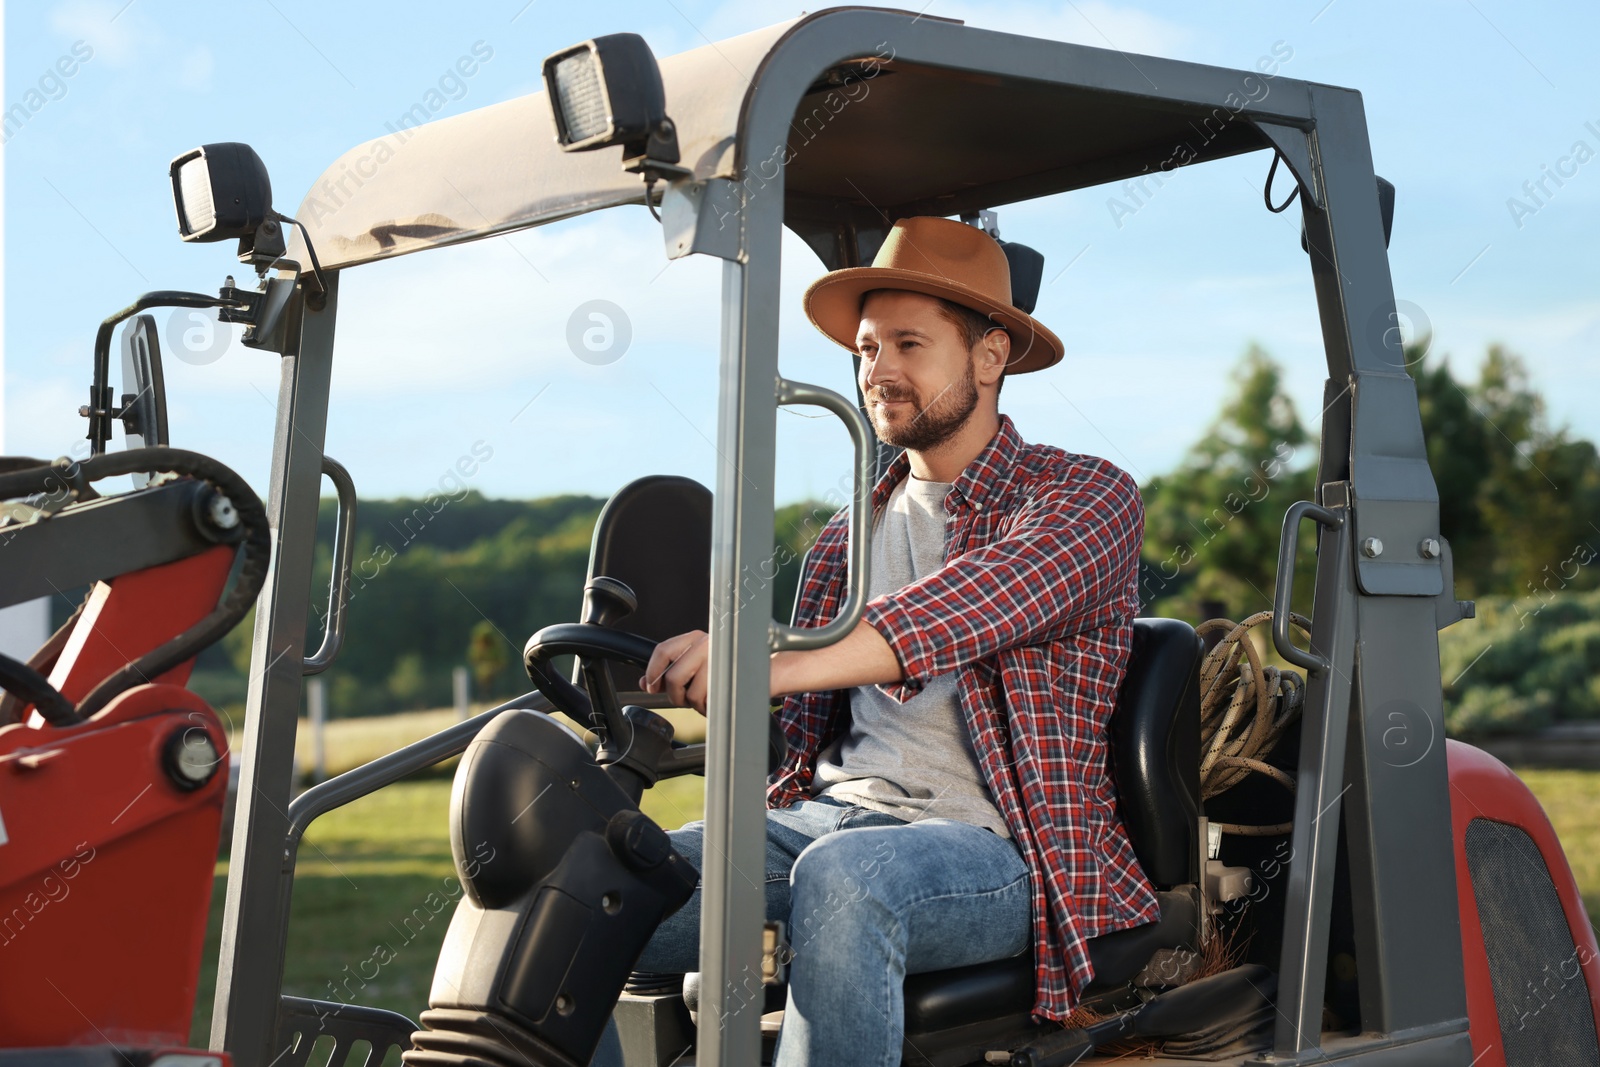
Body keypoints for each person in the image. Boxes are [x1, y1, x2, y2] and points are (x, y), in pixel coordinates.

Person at [616, 215, 1159, 1066]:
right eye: (867, 349)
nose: (880, 372)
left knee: (845, 885)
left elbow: (964, 610)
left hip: (999, 847)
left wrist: (766, 666)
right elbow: (803, 728)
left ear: (989, 357)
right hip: (830, 817)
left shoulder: (1085, 497)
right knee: (589, 882)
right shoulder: (849, 533)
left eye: (909, 344)